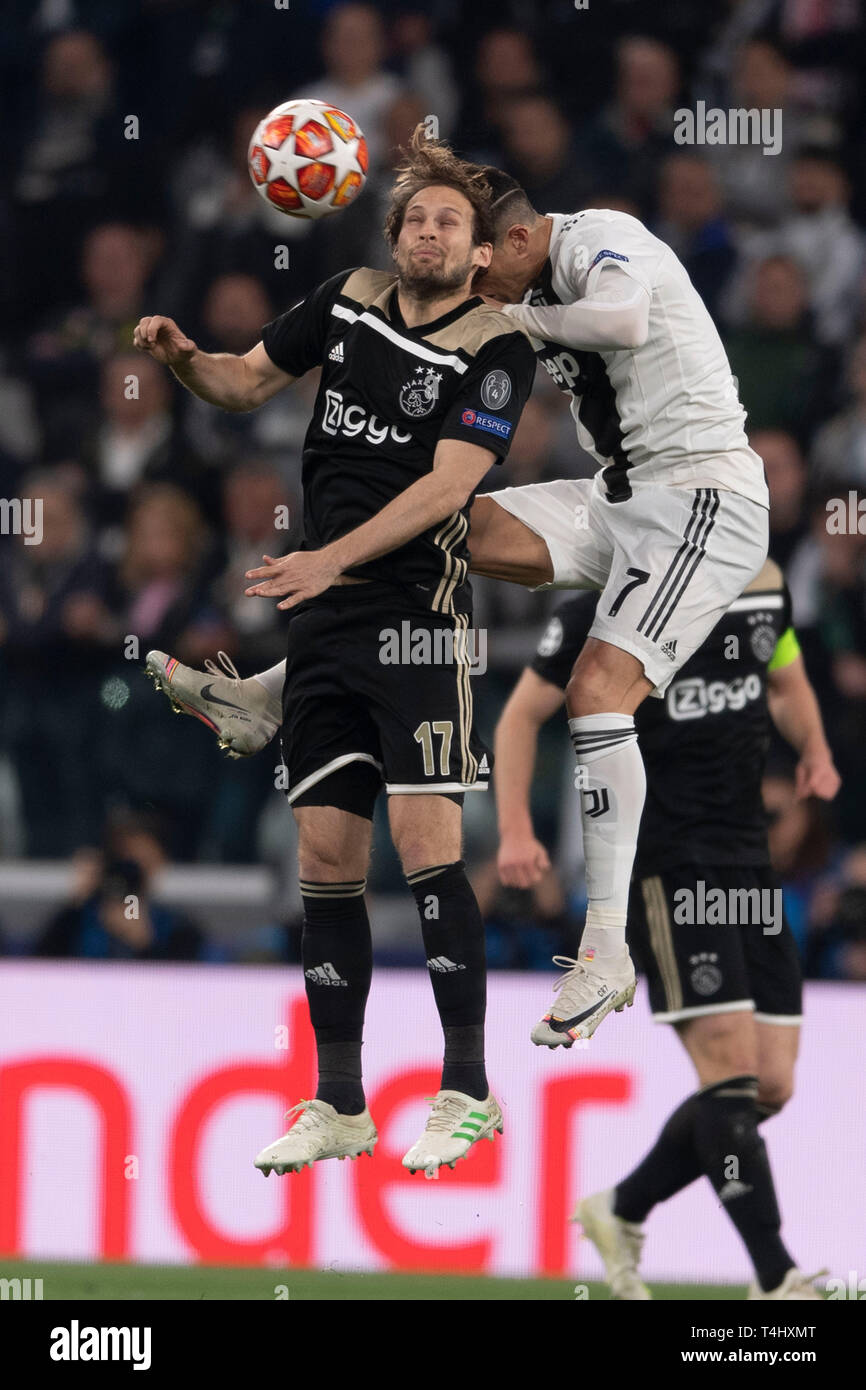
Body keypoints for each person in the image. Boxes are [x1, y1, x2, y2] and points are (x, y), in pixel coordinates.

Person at [168, 169, 772, 1048]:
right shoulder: (502, 290)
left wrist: (513, 318)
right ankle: (273, 689)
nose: (476, 292)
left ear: (518, 243)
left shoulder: (604, 238)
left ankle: (606, 950)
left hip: (702, 498)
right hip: (621, 496)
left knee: (598, 692)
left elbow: (625, 322)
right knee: (440, 517)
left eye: (488, 272)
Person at [135, 131, 537, 1178]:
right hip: (322, 632)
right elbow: (242, 382)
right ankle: (339, 1100)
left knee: (426, 847)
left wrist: (328, 559)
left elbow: (450, 486)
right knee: (324, 862)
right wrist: (183, 361)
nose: (428, 233)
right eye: (414, 218)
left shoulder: (496, 347)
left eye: (450, 221)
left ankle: (464, 1087)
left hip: (415, 620)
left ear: (482, 251)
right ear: (392, 234)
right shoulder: (348, 297)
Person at [494, 559, 839, 1300]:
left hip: (751, 861)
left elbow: (785, 678)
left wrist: (812, 747)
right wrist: (517, 830)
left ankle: (619, 1209)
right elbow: (521, 714)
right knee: (730, 1076)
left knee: (769, 1085)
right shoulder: (614, 594)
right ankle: (777, 1278)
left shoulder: (766, 577)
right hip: (666, 864)